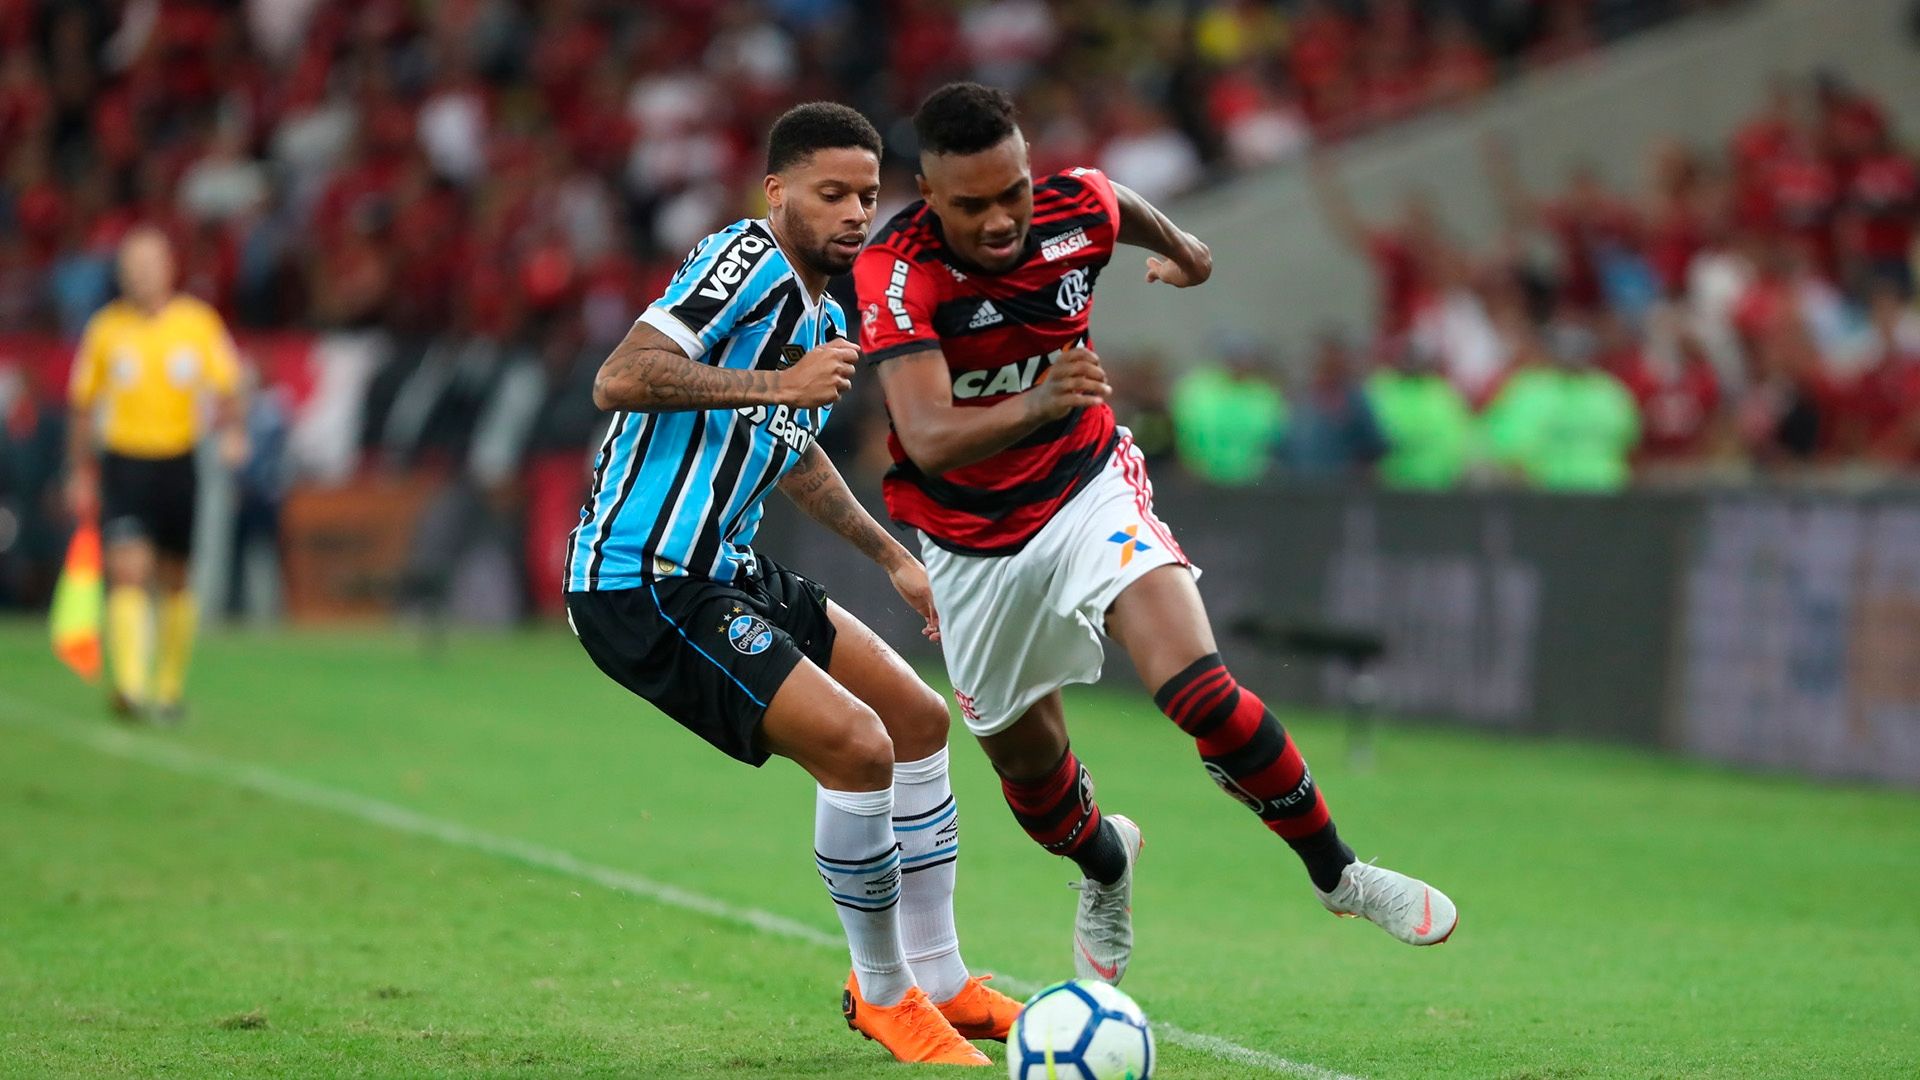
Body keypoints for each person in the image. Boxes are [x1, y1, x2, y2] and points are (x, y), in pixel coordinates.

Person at [853, 83, 1458, 987]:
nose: (999, 219)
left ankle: (1340, 874)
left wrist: (1188, 253)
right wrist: (1043, 398)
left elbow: (1114, 203)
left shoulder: (1074, 207)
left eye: (1011, 191)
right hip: (969, 539)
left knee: (1201, 691)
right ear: (930, 198)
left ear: (1029, 171)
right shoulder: (898, 271)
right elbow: (930, 435)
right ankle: (1107, 869)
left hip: (1087, 486)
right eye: (970, 204)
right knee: (1030, 774)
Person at [562, 103, 1011, 1068]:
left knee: (918, 720)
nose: (856, 213)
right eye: (832, 193)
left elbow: (789, 449)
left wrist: (891, 554)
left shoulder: (821, 307)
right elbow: (621, 375)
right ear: (778, 193)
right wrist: (778, 384)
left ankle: (940, 978)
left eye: (868, 194)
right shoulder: (745, 257)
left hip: (726, 567)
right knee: (856, 746)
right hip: (644, 580)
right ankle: (883, 994)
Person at [66, 226, 246, 723]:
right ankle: (129, 685)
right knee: (127, 571)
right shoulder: (105, 329)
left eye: (148, 264)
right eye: (130, 265)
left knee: (175, 579)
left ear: (169, 268)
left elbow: (228, 387)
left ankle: (167, 690)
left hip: (178, 462)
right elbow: (82, 406)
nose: (139, 274)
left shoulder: (197, 323)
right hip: (124, 462)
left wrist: (233, 433)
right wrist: (80, 470)